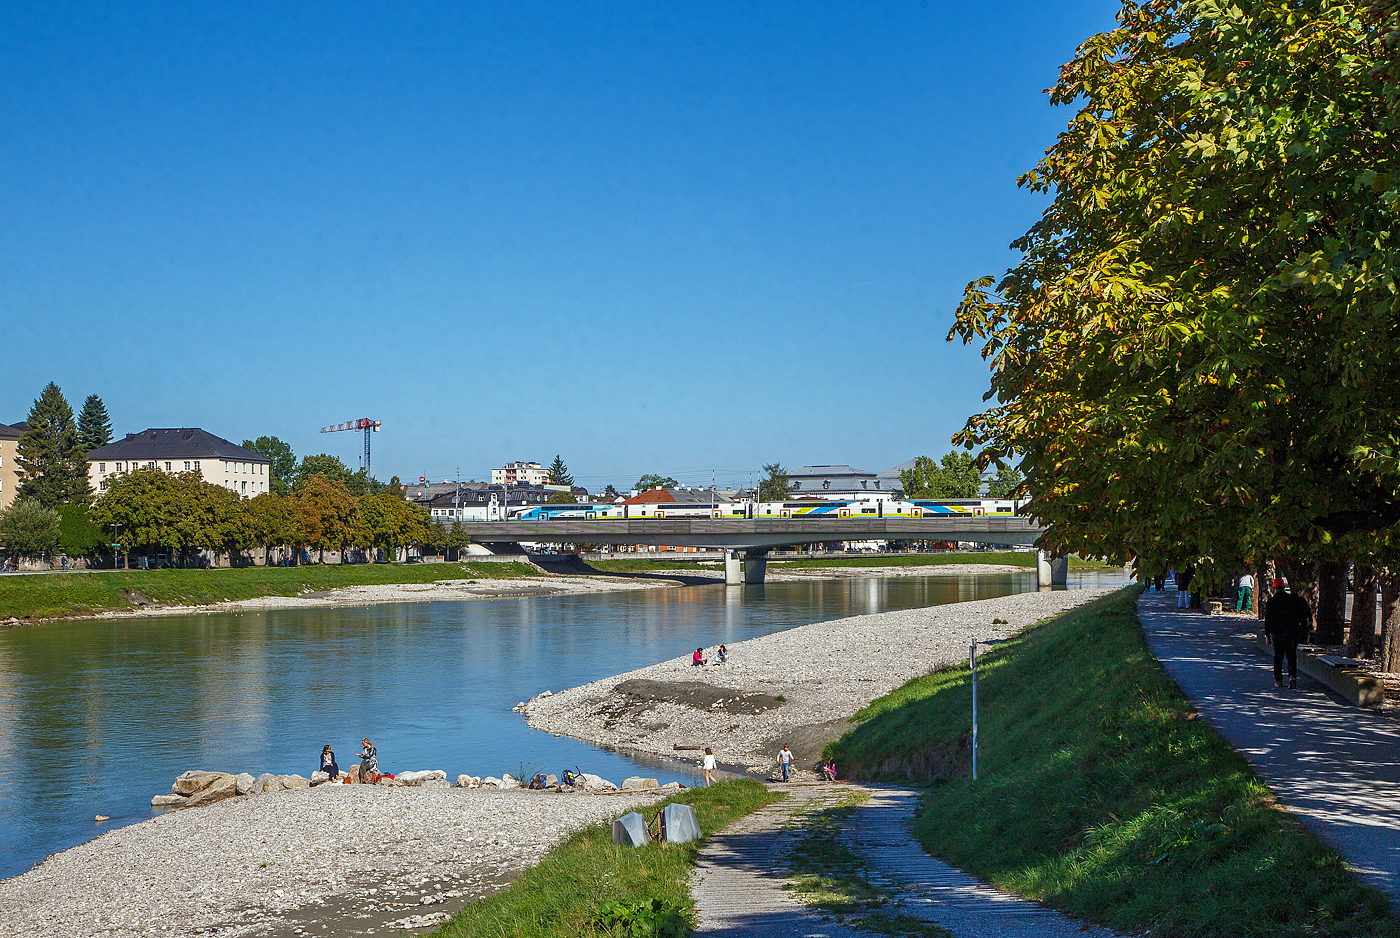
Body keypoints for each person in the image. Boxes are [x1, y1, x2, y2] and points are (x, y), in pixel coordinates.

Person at [1264, 578, 1312, 689]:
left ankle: (1278, 680)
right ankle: (1292, 677)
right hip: (1292, 631)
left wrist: (1267, 634)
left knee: (1278, 656)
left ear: (1274, 587)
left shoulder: (1272, 602)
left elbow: (1268, 619)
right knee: (1291, 655)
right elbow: (1301, 615)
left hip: (1277, 632)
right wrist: (1304, 628)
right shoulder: (1293, 599)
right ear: (1284, 587)